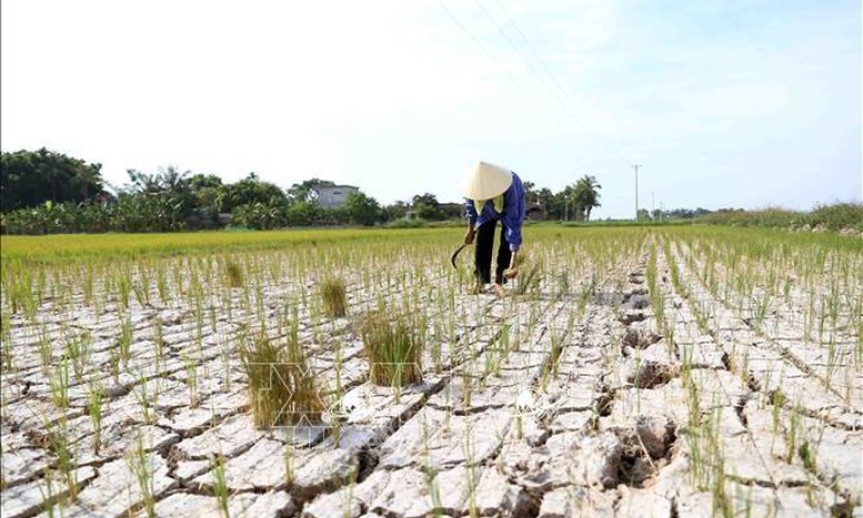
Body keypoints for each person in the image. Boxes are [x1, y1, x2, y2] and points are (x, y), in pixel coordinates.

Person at [462, 161, 526, 294]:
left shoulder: (509, 186)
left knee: (506, 239)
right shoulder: (472, 189)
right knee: (483, 236)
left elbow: (513, 221)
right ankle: (480, 280)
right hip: (485, 210)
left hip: (507, 204)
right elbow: (471, 209)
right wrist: (470, 228)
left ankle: (500, 281)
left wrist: (514, 249)